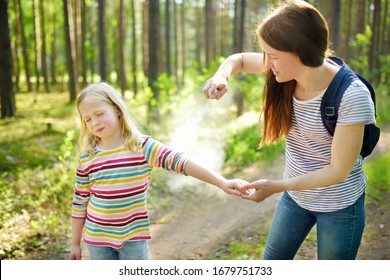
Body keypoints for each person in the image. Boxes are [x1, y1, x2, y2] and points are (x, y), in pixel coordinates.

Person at [203, 0, 376, 260]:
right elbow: (237, 60)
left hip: (339, 205)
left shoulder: (351, 96)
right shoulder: (284, 71)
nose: (267, 63)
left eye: (272, 56)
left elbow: (338, 171)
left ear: (301, 51)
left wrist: (277, 186)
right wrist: (221, 76)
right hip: (296, 198)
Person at [69, 81, 246, 260]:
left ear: (116, 109)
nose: (95, 122)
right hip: (97, 240)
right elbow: (79, 202)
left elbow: (182, 162)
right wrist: (75, 244)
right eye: (88, 119)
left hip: (133, 238)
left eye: (99, 113)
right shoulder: (87, 157)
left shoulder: (142, 147)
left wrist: (222, 182)